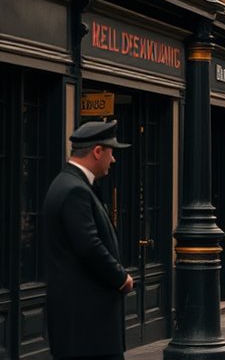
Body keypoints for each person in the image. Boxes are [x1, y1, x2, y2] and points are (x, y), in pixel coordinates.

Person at [43, 120, 133, 360]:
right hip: (87, 326)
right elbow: (89, 246)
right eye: (111, 152)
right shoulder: (75, 190)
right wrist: (121, 277)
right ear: (97, 151)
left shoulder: (71, 184)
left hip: (82, 325)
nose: (113, 160)